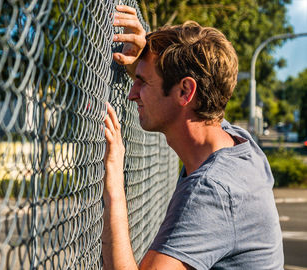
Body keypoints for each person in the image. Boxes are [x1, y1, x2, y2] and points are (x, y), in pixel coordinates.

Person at [102, 5, 284, 270]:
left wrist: (114, 178)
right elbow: (170, 91)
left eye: (143, 82)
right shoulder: (238, 144)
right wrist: (148, 61)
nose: (132, 94)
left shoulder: (212, 190)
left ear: (186, 91)